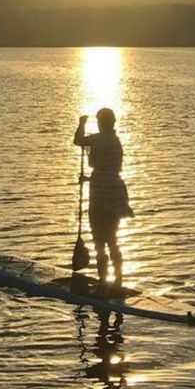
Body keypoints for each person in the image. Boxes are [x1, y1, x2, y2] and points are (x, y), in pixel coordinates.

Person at [73, 108, 134, 290]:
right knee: (112, 239)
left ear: (103, 123)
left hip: (101, 196)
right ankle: (118, 280)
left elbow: (78, 141)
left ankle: (103, 282)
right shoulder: (116, 141)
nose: (99, 124)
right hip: (115, 192)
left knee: (100, 241)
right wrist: (90, 178)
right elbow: (108, 168)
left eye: (100, 121)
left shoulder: (99, 139)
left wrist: (81, 124)